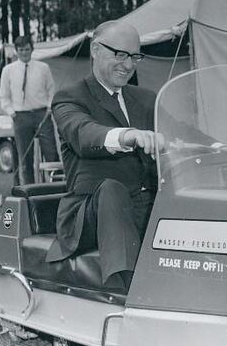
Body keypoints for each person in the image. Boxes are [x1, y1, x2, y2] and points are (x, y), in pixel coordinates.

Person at [45, 20, 163, 290]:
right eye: (119, 54)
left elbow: (182, 130)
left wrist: (219, 146)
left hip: (144, 207)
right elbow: (83, 133)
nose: (128, 64)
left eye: (134, 56)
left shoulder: (147, 98)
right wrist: (126, 135)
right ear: (95, 50)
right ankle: (125, 291)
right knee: (111, 189)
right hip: (89, 213)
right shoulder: (69, 98)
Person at [0, 35, 59, 184]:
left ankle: (56, 189)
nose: (24, 53)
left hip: (42, 115)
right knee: (25, 158)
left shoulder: (43, 68)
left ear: (32, 49)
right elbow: (4, 96)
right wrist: (12, 113)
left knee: (51, 153)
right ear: (16, 51)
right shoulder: (8, 70)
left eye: (27, 49)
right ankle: (30, 193)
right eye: (21, 50)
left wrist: (50, 108)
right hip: (21, 116)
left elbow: (51, 90)